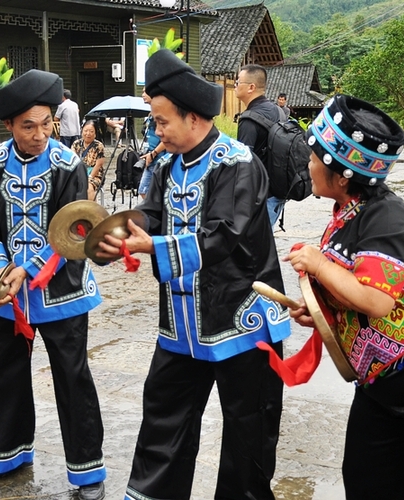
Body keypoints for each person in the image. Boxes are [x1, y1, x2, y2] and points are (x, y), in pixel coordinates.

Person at [95, 49, 291, 500]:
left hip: (242, 319)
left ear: (194, 118)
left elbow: (224, 235)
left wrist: (155, 246)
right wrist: (123, 230)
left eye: (162, 122)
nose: (157, 131)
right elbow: (151, 212)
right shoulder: (167, 165)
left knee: (248, 433)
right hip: (182, 324)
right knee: (164, 417)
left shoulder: (237, 163)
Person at [280, 94, 404, 499]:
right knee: (370, 483)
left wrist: (318, 265)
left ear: (342, 173)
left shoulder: (389, 217)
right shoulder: (347, 213)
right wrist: (323, 311)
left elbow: (378, 301)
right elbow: (354, 294)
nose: (308, 164)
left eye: (315, 157)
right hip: (382, 381)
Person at [0, 69, 106, 500]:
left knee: (72, 377)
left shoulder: (68, 165)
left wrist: (29, 267)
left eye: (47, 123)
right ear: (8, 126)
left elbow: (77, 226)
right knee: (5, 373)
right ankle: (8, 456)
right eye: (29, 126)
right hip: (8, 292)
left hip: (62, 290)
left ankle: (87, 473)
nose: (41, 133)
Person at [236, 64, 286, 228]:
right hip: (278, 190)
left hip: (260, 195)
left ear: (251, 87)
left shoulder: (249, 119)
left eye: (238, 82)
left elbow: (243, 166)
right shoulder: (278, 111)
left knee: (254, 248)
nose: (235, 85)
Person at [137, 87, 166, 199]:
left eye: (145, 92)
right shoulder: (151, 113)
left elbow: (166, 138)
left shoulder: (161, 113)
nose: (143, 95)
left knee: (153, 192)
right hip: (150, 157)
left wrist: (154, 153)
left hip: (159, 158)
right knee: (143, 190)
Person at [71, 120, 105, 200]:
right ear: (82, 131)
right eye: (85, 131)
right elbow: (72, 161)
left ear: (95, 133)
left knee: (88, 187)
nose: (88, 134)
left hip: (94, 175)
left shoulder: (99, 146)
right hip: (78, 174)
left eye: (91, 131)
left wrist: (89, 177)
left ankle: (91, 211)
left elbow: (99, 165)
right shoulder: (76, 144)